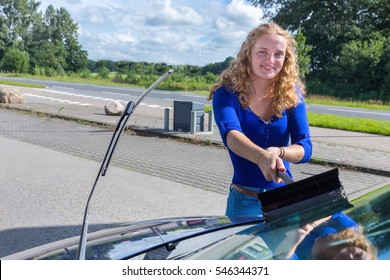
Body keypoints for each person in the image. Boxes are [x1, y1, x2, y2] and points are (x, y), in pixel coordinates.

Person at [208, 22, 312, 217]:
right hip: (245, 202)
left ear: (286, 59)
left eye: (278, 54)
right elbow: (231, 136)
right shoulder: (226, 94)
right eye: (262, 52)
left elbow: (305, 148)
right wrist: (262, 157)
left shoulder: (292, 94)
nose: (270, 60)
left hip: (285, 199)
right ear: (248, 54)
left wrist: (279, 152)